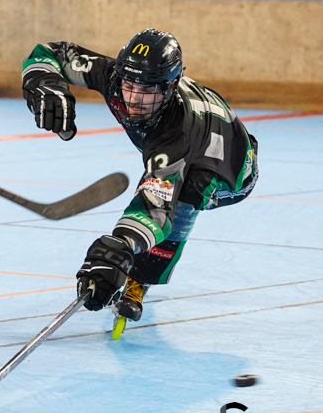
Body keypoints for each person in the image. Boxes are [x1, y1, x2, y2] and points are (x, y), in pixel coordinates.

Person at [20, 29, 259, 337]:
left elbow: (155, 206)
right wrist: (45, 84)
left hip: (232, 172)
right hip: (192, 138)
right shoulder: (115, 78)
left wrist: (122, 248)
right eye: (128, 84)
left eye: (146, 91)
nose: (133, 98)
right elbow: (53, 53)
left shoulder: (178, 134)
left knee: (187, 193)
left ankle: (140, 281)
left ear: (170, 87)